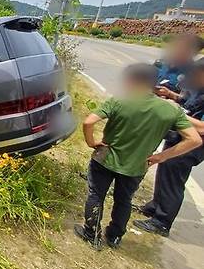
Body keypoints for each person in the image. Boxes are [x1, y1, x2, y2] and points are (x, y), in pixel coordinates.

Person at [75, 63, 202, 249]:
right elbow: (194, 140)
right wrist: (162, 157)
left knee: (96, 194)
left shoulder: (118, 102)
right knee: (124, 200)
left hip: (105, 159)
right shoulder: (170, 110)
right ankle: (115, 236)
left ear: (131, 80)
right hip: (137, 166)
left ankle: (91, 233)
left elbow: (88, 122)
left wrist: (91, 142)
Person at [134, 60, 204, 236]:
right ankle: (155, 207)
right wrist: (172, 96)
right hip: (179, 136)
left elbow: (202, 128)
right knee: (164, 171)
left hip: (192, 145)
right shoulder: (199, 89)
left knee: (173, 179)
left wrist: (175, 112)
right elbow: (188, 102)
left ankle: (162, 222)